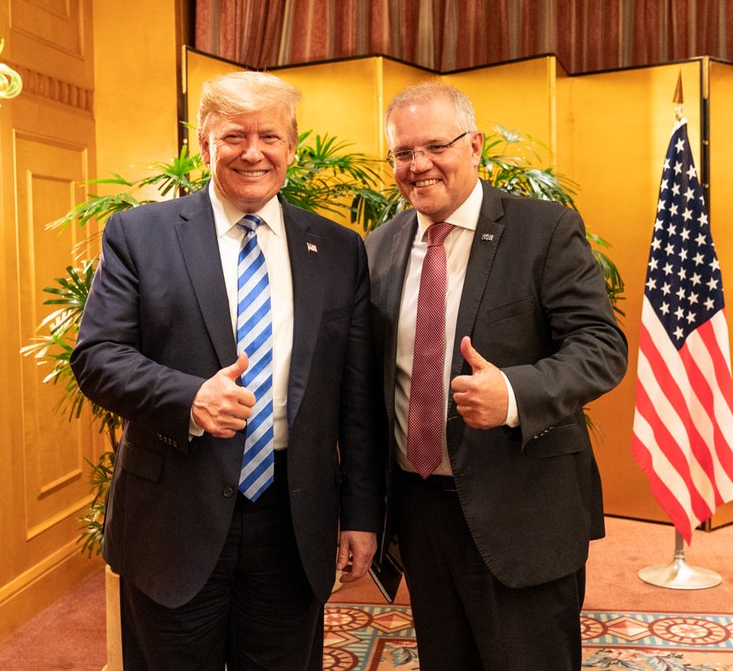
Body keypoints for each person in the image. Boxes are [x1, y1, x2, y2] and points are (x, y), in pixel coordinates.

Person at [71, 71, 384, 670]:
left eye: (270, 135)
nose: (253, 151)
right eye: (235, 134)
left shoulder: (339, 249)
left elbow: (357, 398)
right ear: (204, 142)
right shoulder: (141, 235)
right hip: (173, 520)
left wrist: (362, 515)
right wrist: (188, 398)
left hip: (293, 519)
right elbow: (97, 356)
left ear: (292, 146)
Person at [365, 81, 628, 670]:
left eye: (436, 145)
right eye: (403, 153)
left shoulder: (544, 230)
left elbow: (601, 345)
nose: (419, 165)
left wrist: (513, 392)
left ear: (475, 144)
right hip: (420, 507)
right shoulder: (377, 249)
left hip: (522, 506)